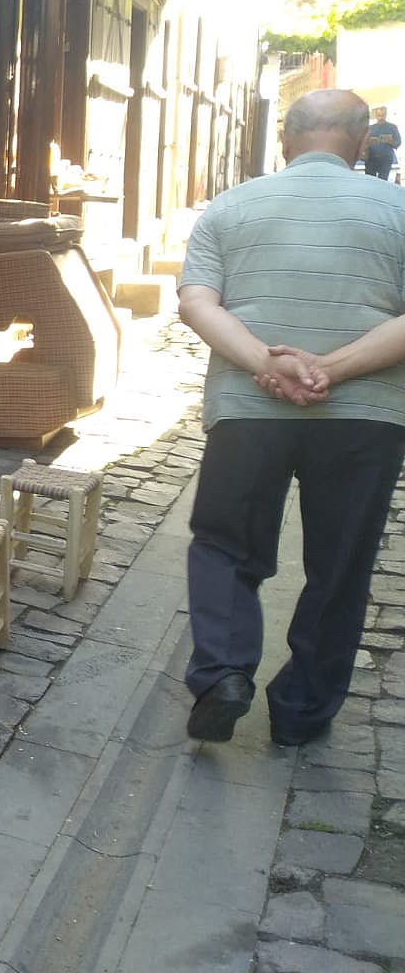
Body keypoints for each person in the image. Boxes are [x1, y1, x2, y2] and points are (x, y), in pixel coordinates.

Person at [177, 87, 405, 749]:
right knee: (341, 564)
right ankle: (302, 711)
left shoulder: (230, 206)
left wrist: (266, 363)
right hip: (366, 417)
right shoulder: (399, 209)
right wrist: (331, 370)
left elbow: (197, 303)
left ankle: (223, 674)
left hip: (250, 411)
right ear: (361, 143)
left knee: (224, 544)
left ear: (284, 140)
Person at [364, 104, 400, 179]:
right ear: (376, 115)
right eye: (379, 115)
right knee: (370, 180)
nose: (381, 117)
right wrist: (368, 142)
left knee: (383, 180)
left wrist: (391, 141)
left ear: (386, 114)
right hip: (371, 159)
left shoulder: (392, 127)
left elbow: (398, 143)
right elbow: (363, 144)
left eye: (383, 115)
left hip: (385, 159)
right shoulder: (370, 128)